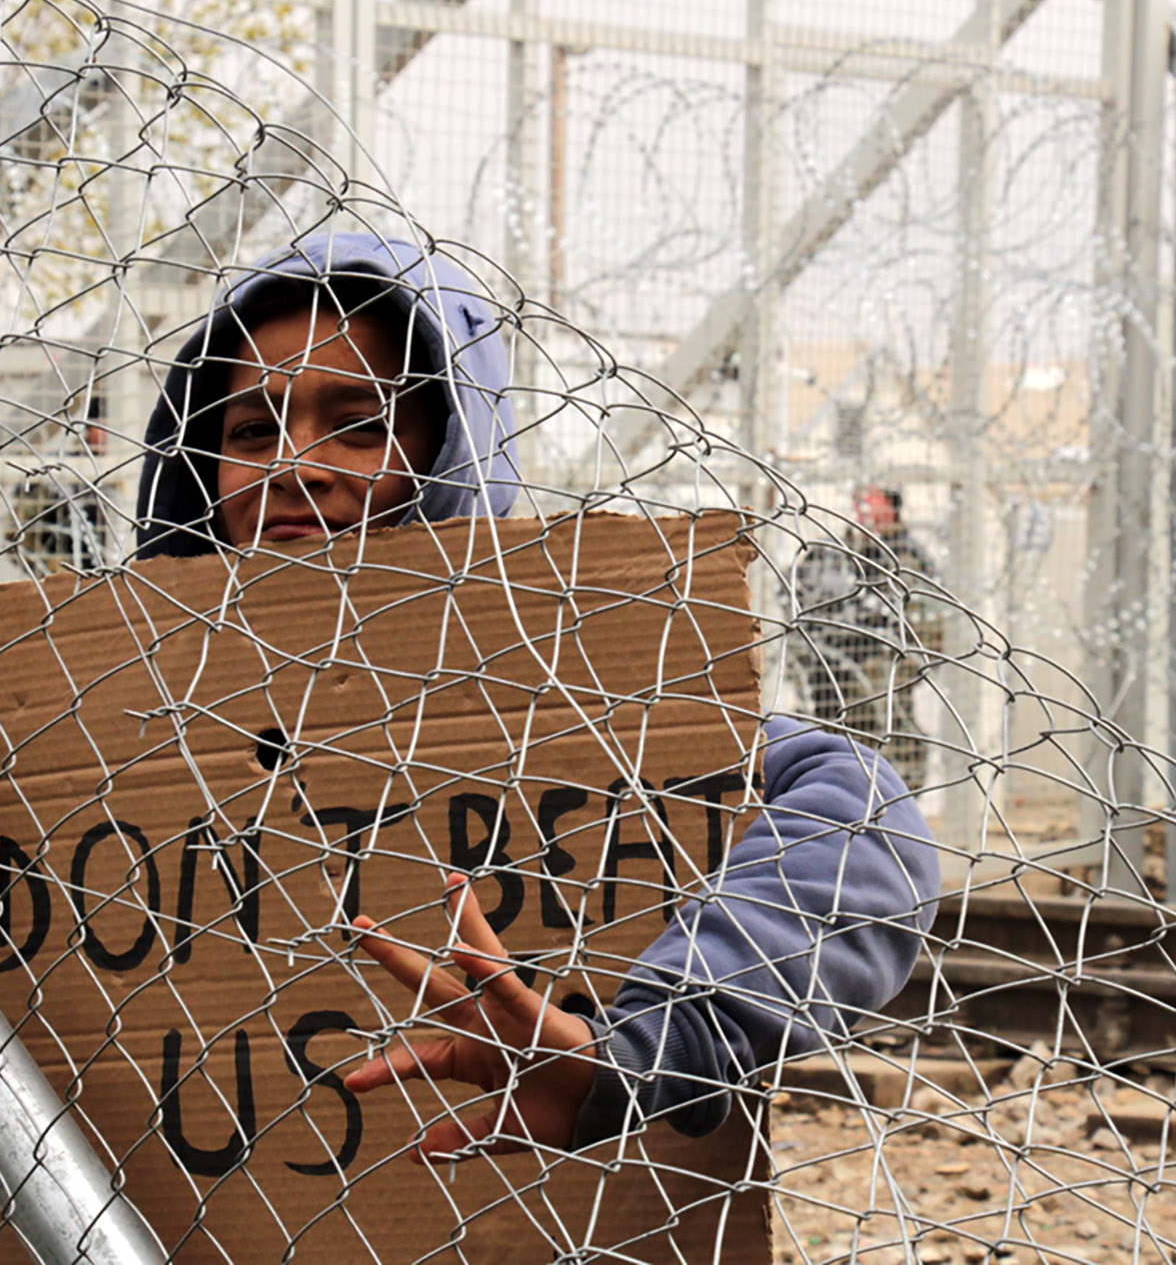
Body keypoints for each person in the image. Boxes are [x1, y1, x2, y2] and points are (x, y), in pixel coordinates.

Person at [133, 229, 938, 1162]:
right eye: (250, 430)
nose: (292, 467)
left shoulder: (569, 696)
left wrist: (636, 1050)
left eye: (360, 424)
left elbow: (859, 811)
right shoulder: (124, 704)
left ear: (455, 449)